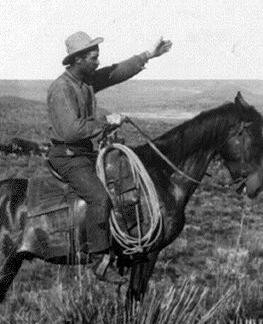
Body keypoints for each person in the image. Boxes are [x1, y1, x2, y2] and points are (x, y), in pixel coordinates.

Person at [46, 31, 172, 279]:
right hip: (68, 156)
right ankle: (99, 260)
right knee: (100, 198)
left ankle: (126, 245)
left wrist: (148, 54)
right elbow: (71, 131)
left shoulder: (85, 81)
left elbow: (115, 72)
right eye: (94, 58)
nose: (98, 62)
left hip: (83, 153)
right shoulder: (61, 88)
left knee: (123, 183)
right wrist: (106, 121)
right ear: (78, 59)